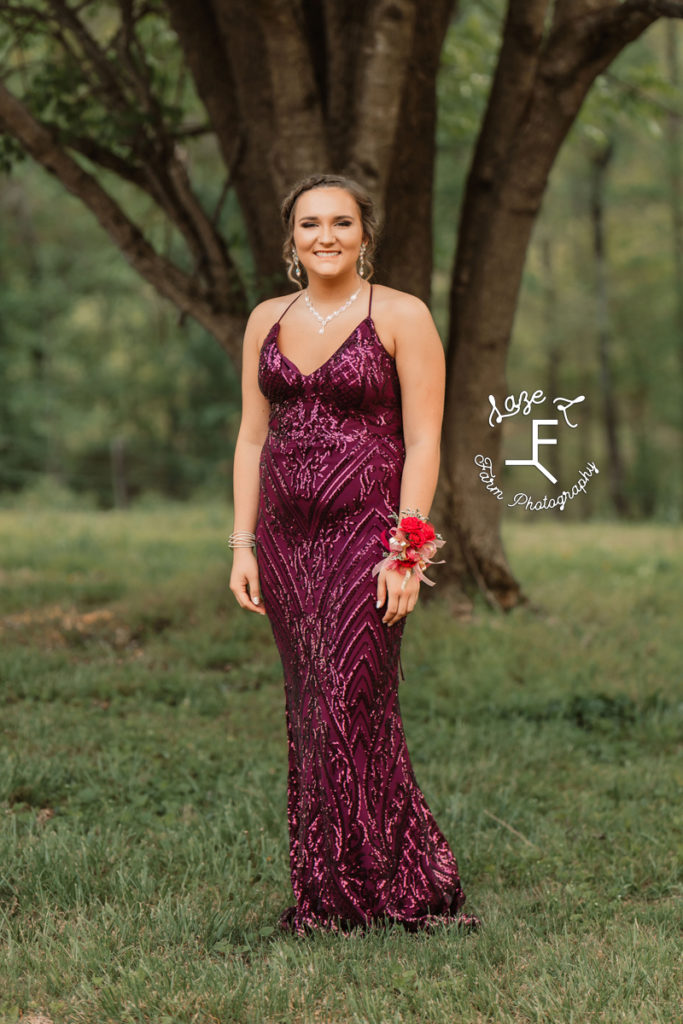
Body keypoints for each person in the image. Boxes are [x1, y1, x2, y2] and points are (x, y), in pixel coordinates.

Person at [229, 173, 479, 935]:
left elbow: (426, 437)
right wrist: (241, 543)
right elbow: (250, 436)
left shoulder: (400, 314)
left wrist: (406, 551)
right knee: (311, 711)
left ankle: (402, 883)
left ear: (365, 234)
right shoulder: (265, 319)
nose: (325, 235)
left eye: (341, 222)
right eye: (310, 223)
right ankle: (332, 891)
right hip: (282, 540)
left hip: (365, 539)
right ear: (291, 237)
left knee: (353, 702)